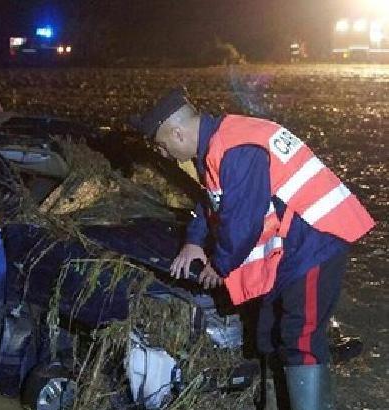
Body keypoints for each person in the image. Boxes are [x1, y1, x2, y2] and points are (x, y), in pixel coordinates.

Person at [131, 87, 375, 409]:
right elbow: (213, 201)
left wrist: (219, 267)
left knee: (300, 338)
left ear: (177, 133)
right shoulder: (216, 146)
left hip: (317, 239)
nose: (163, 155)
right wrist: (193, 240)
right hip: (292, 247)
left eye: (162, 147)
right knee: (269, 333)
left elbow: (242, 223)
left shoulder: (237, 149)